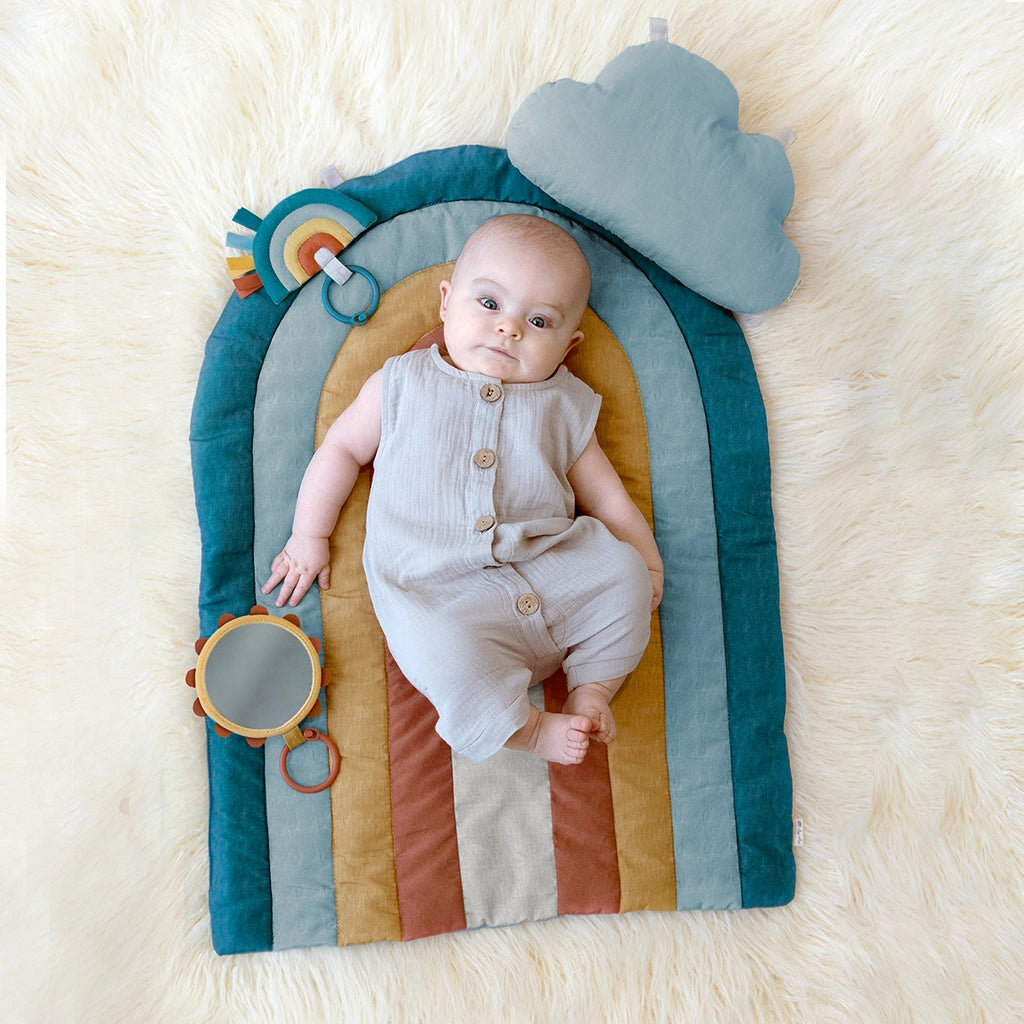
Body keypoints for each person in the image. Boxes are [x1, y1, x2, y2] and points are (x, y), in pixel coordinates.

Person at [263, 214, 663, 765]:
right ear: (446, 302)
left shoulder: (565, 405)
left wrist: (647, 564)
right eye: (491, 304)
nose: (510, 329)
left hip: (549, 571)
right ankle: (528, 730)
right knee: (440, 657)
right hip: (441, 595)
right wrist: (309, 534)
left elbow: (610, 498)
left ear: (570, 346)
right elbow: (340, 449)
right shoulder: (401, 384)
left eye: (539, 321)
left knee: (623, 579)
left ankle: (593, 690)